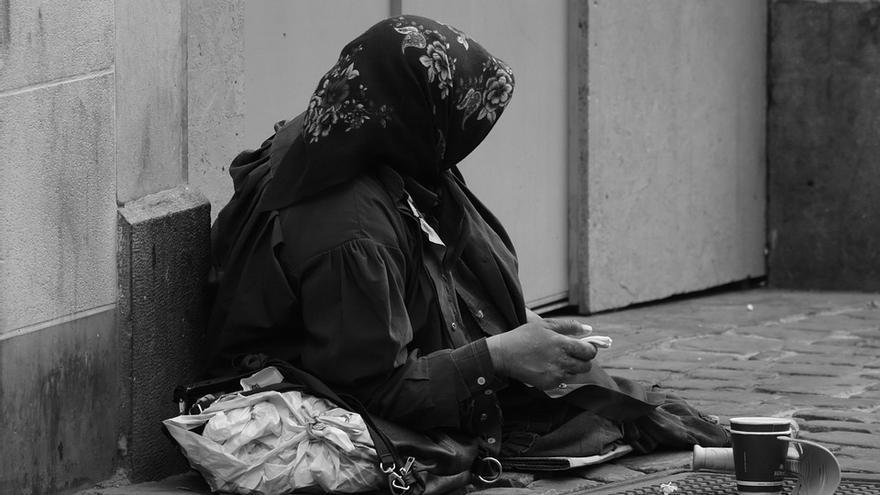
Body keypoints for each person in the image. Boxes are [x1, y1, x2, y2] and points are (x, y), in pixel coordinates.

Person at [207, 14, 728, 468]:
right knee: (575, 419)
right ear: (416, 115)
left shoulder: (346, 130)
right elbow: (371, 387)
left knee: (597, 395)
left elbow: (432, 255)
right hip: (327, 376)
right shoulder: (351, 231)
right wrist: (498, 356)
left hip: (354, 333)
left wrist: (514, 321)